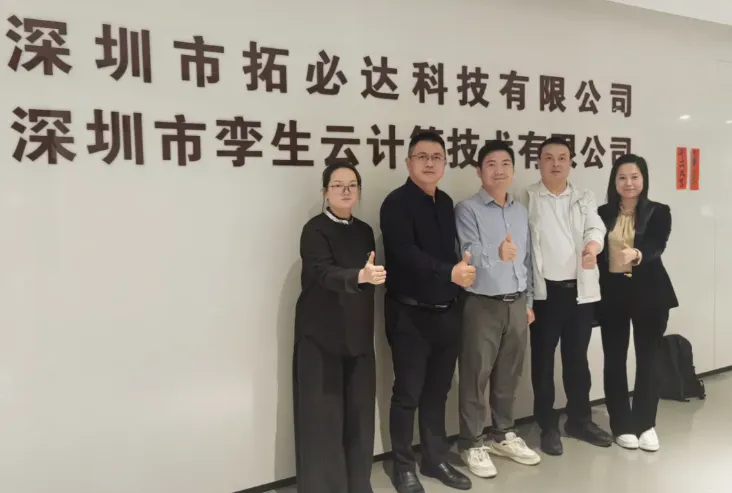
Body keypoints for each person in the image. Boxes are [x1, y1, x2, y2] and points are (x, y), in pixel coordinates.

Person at [380, 131, 474, 493]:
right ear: (408, 163)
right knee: (407, 394)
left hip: (447, 312)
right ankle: (403, 466)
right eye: (422, 157)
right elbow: (404, 253)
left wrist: (456, 280)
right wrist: (448, 272)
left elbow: (450, 252)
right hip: (409, 315)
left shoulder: (446, 202)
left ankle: (435, 459)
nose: (430, 163)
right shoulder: (395, 203)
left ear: (445, 163)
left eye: (437, 157)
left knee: (438, 392)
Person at [293, 163, 385, 493]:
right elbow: (323, 273)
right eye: (337, 185)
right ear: (325, 192)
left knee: (359, 417)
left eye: (352, 185)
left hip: (357, 336)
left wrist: (366, 278)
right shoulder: (314, 230)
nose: (346, 191)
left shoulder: (364, 231)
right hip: (320, 337)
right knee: (323, 422)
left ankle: (358, 485)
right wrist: (359, 276)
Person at [518, 136, 612, 456]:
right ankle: (547, 425)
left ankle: (579, 421)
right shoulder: (527, 197)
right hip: (545, 295)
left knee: (577, 361)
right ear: (539, 162)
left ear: (571, 162)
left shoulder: (584, 197)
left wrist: (592, 249)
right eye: (548, 158)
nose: (555, 163)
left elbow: (595, 229)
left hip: (579, 294)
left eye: (562, 157)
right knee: (543, 363)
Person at [455, 141, 541, 479]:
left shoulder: (520, 211)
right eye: (491, 164)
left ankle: (503, 433)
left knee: (509, 374)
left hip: (516, 303)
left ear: (513, 170)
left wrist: (529, 302)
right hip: (482, 304)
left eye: (505, 164)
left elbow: (528, 259)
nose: (499, 170)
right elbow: (468, 251)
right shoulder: (467, 209)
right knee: (476, 376)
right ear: (479, 171)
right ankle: (472, 441)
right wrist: (497, 252)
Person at [596, 154, 678, 452]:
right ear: (614, 181)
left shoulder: (658, 211)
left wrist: (638, 254)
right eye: (622, 177)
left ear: (643, 179)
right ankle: (621, 424)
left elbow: (657, 244)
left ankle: (645, 423)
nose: (628, 183)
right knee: (614, 359)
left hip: (650, 294)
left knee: (648, 360)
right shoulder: (602, 213)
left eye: (634, 177)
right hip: (613, 295)